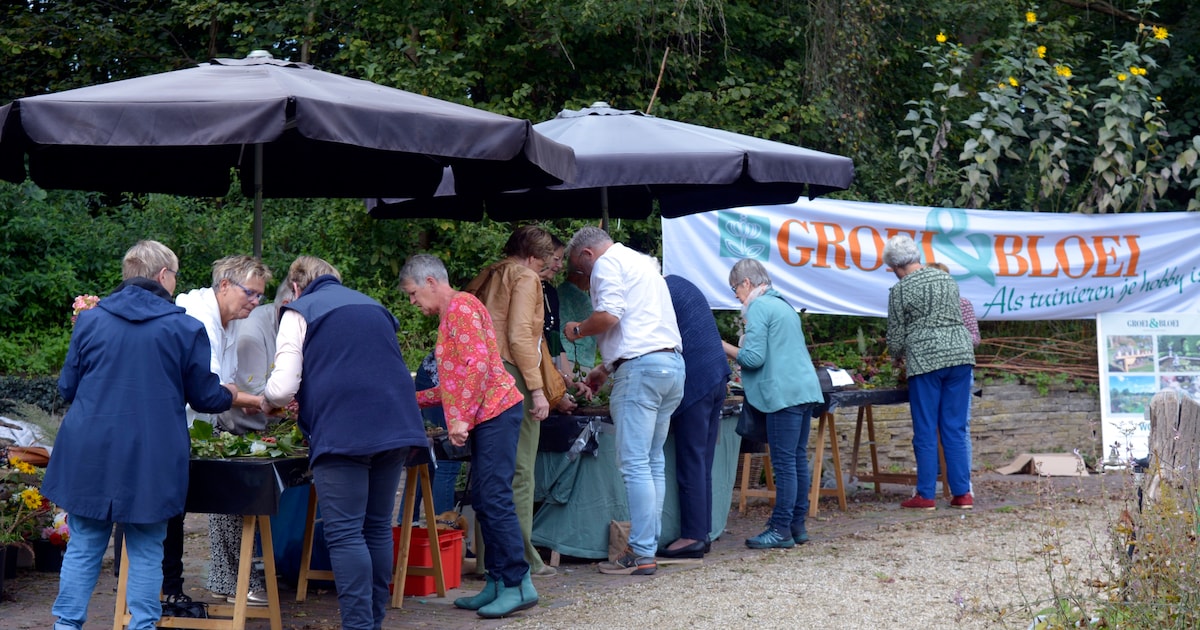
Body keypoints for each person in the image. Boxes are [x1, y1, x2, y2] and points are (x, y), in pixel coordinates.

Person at [45, 240, 235, 630]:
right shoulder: (185, 327)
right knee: (148, 549)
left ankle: (66, 626)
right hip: (153, 454)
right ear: (163, 276)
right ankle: (142, 626)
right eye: (175, 275)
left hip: (90, 450)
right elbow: (204, 397)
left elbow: (67, 387)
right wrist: (232, 394)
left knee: (84, 545)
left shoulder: (91, 321)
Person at [263, 256, 426, 630]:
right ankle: (372, 622)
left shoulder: (298, 310)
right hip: (397, 424)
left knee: (345, 532)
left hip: (343, 431)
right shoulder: (375, 306)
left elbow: (283, 386)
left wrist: (267, 401)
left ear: (297, 286)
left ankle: (358, 626)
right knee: (377, 527)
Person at [399, 253, 537, 618]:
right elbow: (454, 383)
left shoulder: (460, 307)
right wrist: (407, 399)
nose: (414, 303)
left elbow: (477, 368)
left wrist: (459, 420)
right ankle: (495, 581)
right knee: (484, 499)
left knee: (495, 498)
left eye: (413, 294)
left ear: (430, 282)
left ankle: (518, 584)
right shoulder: (454, 314)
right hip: (488, 414)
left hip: (496, 412)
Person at [563, 226, 685, 576]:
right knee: (652, 461)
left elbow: (611, 315)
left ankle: (642, 552)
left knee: (635, 465)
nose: (585, 278)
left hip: (642, 372)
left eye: (581, 270)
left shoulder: (606, 264)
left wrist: (578, 330)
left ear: (587, 254)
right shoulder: (644, 263)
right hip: (671, 366)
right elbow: (641, 327)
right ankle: (648, 545)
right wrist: (606, 368)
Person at [175, 255, 274, 606]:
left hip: (203, 425)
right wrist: (257, 401)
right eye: (251, 293)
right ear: (225, 285)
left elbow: (225, 386)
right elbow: (211, 389)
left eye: (261, 296)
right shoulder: (197, 317)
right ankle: (172, 587)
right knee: (214, 499)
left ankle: (228, 579)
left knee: (230, 498)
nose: (256, 301)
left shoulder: (229, 322)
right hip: (180, 428)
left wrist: (242, 398)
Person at [464, 225, 557, 577]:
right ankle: (522, 559)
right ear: (533, 257)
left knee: (494, 469)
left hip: (484, 372)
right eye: (544, 264)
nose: (544, 271)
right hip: (513, 372)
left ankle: (492, 560)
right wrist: (536, 388)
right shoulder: (526, 277)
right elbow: (519, 335)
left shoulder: (490, 272)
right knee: (520, 472)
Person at [721, 258, 824, 549]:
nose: (737, 298)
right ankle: (796, 526)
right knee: (795, 460)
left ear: (746, 283)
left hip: (782, 395)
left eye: (735, 290)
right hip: (804, 391)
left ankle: (780, 529)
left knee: (784, 464)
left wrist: (721, 346)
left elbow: (754, 358)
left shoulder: (759, 307)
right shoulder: (783, 305)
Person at [882, 235, 976, 510]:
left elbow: (896, 337)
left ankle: (925, 494)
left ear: (896, 267)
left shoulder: (899, 290)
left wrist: (896, 356)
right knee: (955, 427)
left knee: (925, 428)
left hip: (925, 360)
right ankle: (962, 494)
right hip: (960, 355)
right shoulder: (946, 279)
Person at [658, 274, 730, 559]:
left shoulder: (657, 290)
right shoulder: (677, 283)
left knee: (691, 461)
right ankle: (702, 533)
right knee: (702, 462)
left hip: (696, 382)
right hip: (715, 378)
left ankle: (692, 537)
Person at [557, 257, 598, 375]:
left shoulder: (559, 290)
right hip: (576, 359)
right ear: (579, 274)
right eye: (589, 276)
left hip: (559, 354)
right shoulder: (581, 298)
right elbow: (596, 325)